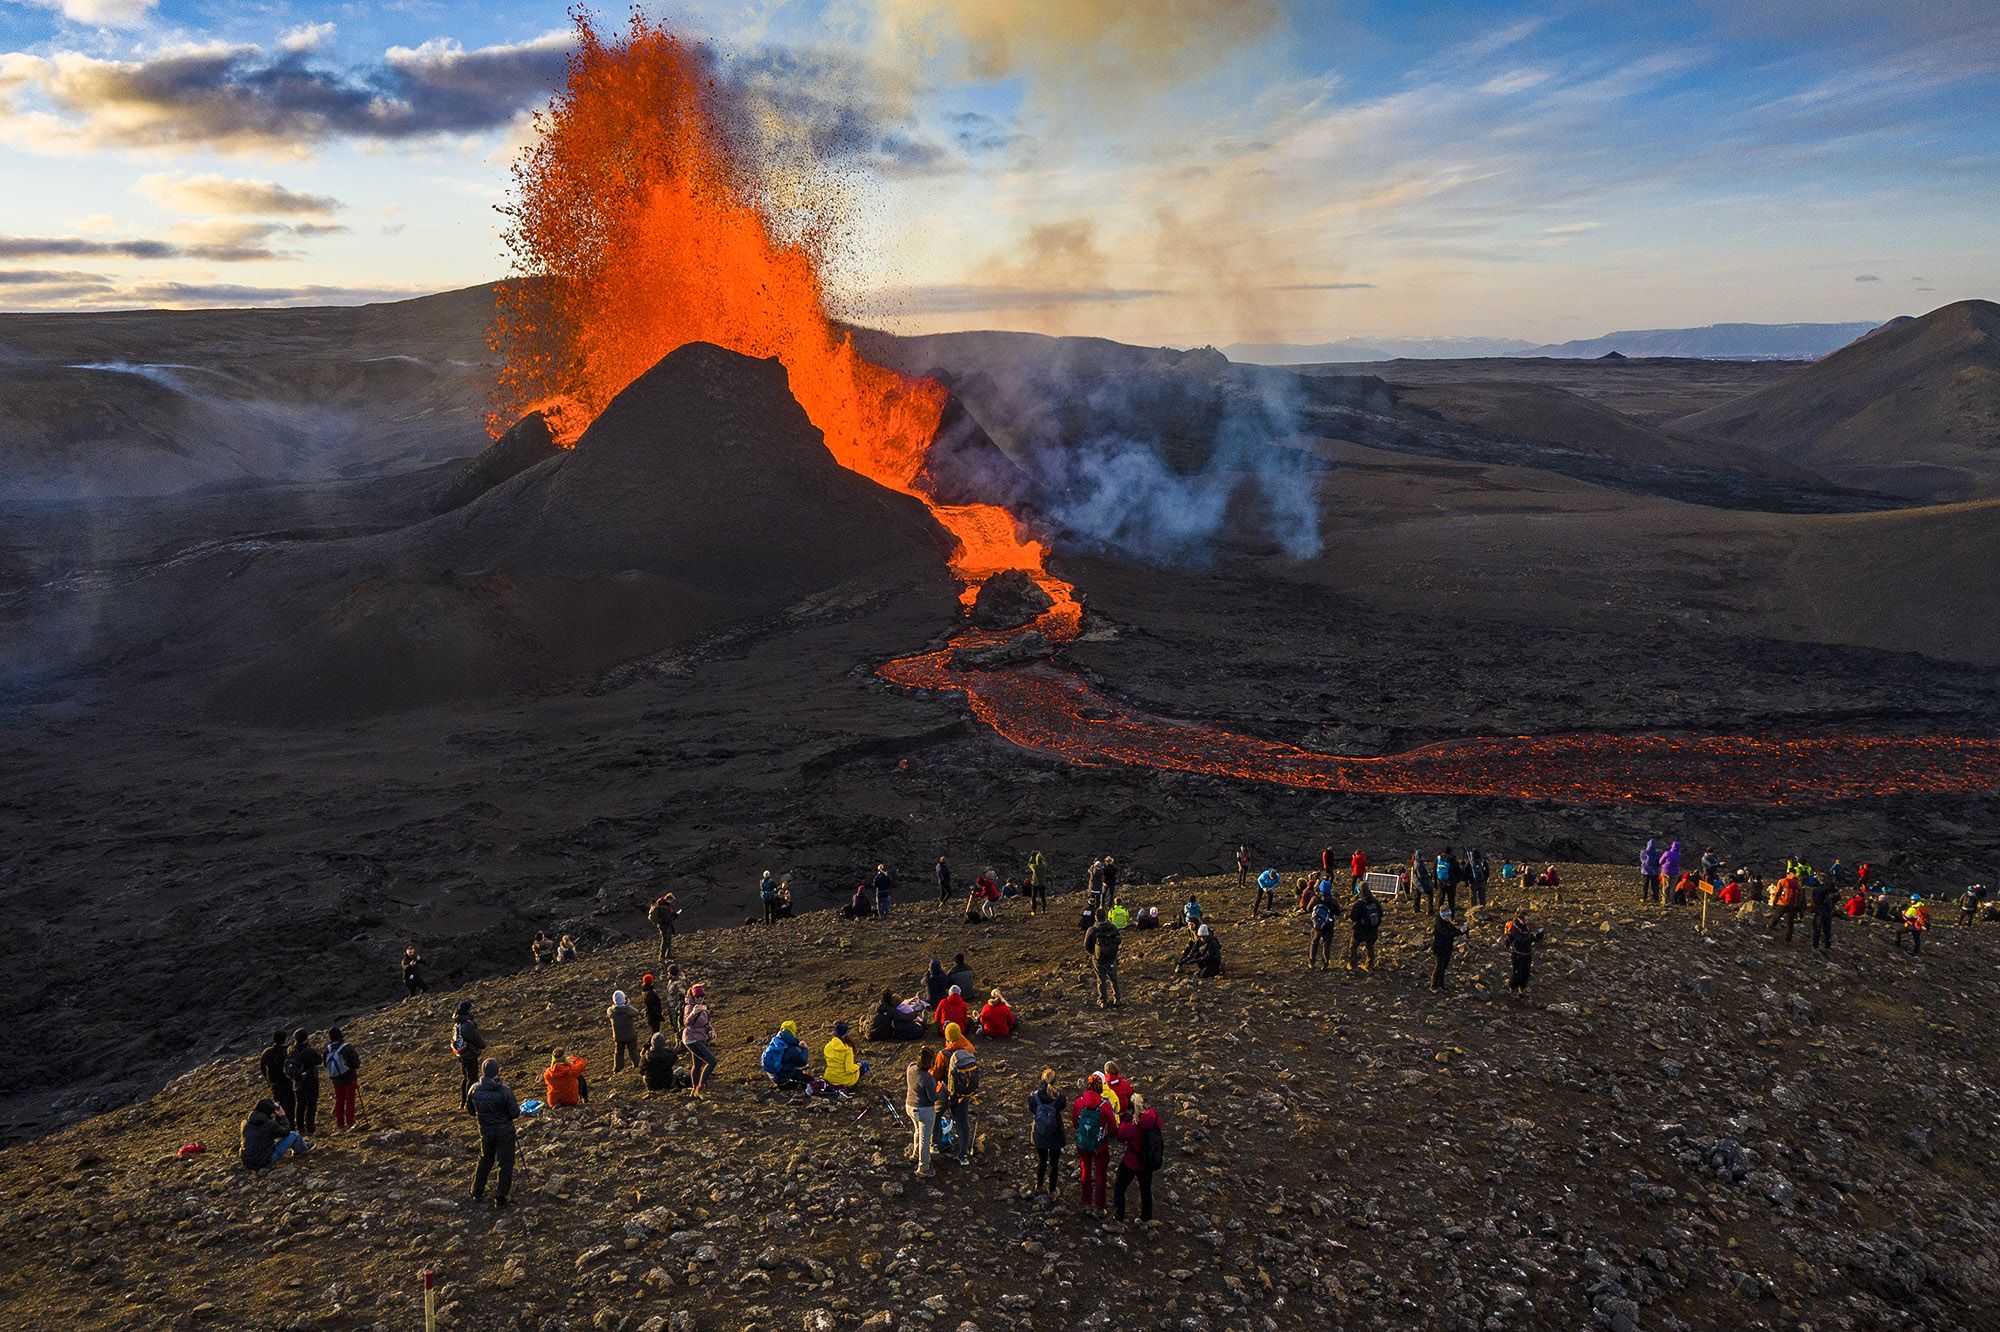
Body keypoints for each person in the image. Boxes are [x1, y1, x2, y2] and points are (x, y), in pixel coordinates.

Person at [464, 1058, 519, 1207]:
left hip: (486, 1131)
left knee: (485, 1159)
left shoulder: (474, 1089)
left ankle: (477, 1192)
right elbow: (515, 1113)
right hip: (505, 1132)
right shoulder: (505, 1090)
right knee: (505, 1163)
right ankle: (500, 1198)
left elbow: (470, 1111)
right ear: (497, 1071)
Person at [1113, 1093, 1164, 1224]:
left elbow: (1120, 1136)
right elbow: (1161, 1124)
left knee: (1119, 1187)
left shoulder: (1133, 1125)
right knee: (1146, 1190)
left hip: (1131, 1162)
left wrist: (1124, 1119)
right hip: (1148, 1162)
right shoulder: (1153, 1118)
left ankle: (1119, 1216)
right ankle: (1146, 1218)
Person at [1073, 1072, 1113, 1213]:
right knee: (1101, 1174)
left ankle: (1086, 1201)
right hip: (1100, 1146)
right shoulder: (1105, 1106)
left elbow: (1074, 1123)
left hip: (1083, 1144)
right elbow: (1113, 1127)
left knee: (1085, 1170)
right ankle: (1100, 1206)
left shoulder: (1079, 1102)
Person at [240, 1098, 307, 1171]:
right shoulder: (269, 1124)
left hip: (248, 1163)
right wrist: (283, 1116)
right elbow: (286, 1132)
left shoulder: (245, 1123)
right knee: (294, 1135)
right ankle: (303, 1151)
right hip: (264, 1162)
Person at [1028, 1070, 1067, 1196]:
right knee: (1054, 1164)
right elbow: (1062, 1107)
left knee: (1042, 1161)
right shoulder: (1060, 1098)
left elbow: (1032, 1108)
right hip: (1056, 1134)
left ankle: (1039, 1186)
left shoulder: (1034, 1097)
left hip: (1040, 1134)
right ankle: (1052, 1189)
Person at [943, 1041, 980, 1165]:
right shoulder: (968, 1052)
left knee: (935, 1116)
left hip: (946, 1093)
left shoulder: (943, 1055)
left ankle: (936, 1144)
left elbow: (935, 1074)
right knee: (963, 1123)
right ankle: (963, 1154)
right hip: (963, 1092)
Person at [905, 1049, 938, 1178]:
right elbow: (933, 1098)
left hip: (910, 1105)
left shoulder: (911, 1067)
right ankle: (923, 1167)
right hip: (924, 1110)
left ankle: (915, 1155)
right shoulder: (927, 1078)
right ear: (929, 1063)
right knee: (925, 1137)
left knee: (918, 1130)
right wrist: (942, 1092)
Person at [682, 985, 718, 1096]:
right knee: (712, 1061)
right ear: (693, 996)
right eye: (698, 996)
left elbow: (706, 1021)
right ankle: (700, 1088)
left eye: (702, 996)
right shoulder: (689, 1007)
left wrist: (712, 1031)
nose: (701, 998)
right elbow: (686, 1023)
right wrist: (694, 1013)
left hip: (699, 1038)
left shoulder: (703, 1006)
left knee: (697, 1064)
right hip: (691, 1039)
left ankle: (694, 1090)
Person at [285, 1029, 321, 1135]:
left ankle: (300, 1127)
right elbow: (319, 1060)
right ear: (306, 1038)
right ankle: (310, 1127)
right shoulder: (309, 1050)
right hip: (310, 1081)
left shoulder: (291, 1050)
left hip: (297, 1082)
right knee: (311, 1105)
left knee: (300, 1105)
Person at [323, 1026, 360, 1130]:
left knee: (339, 1100)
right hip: (349, 1077)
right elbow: (356, 1063)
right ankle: (350, 1121)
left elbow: (325, 1064)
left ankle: (339, 1122)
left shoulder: (327, 1049)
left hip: (336, 1079)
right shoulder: (347, 1047)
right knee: (350, 1100)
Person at [1084, 909, 1122, 1008]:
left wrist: (1094, 953)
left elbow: (1086, 945)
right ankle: (1117, 999)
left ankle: (1103, 1001)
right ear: (1106, 916)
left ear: (1096, 917)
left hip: (1098, 959)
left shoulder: (1092, 930)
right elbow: (1119, 940)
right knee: (1114, 978)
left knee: (1101, 979)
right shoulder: (1113, 927)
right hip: (1111, 957)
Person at [1503, 909, 1545, 993]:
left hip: (1527, 954)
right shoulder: (1515, 928)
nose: (1526, 921)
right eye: (1524, 919)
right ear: (1519, 918)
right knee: (1517, 973)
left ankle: (1522, 987)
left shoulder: (1526, 927)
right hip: (1518, 954)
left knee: (1526, 972)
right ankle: (1513, 988)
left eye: (1527, 919)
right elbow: (1521, 940)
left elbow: (1529, 939)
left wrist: (1538, 936)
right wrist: (1533, 937)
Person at [451, 1001, 485, 1102]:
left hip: (461, 1054)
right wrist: (483, 1045)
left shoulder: (457, 1023)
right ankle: (470, 1102)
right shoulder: (467, 1024)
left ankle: (464, 1100)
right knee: (472, 1078)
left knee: (466, 1078)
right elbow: (476, 1038)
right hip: (469, 1054)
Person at [259, 1030, 296, 1122]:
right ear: (285, 1039)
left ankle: (280, 1124)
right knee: (290, 1105)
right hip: (287, 1083)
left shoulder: (267, 1052)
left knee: (278, 1105)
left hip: (274, 1083)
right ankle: (290, 1125)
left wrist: (267, 1079)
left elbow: (262, 1066)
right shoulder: (287, 1051)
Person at [761, 1020, 811, 1088]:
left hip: (773, 1076)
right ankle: (785, 1082)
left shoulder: (775, 1042)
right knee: (810, 1080)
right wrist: (805, 1049)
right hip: (783, 1079)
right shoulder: (791, 1049)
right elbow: (803, 1062)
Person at [1348, 881, 1383, 972]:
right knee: (1370, 947)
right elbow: (1381, 914)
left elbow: (1353, 917)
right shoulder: (1375, 901)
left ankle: (1353, 964)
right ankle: (1369, 965)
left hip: (1360, 931)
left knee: (1353, 946)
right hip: (1372, 931)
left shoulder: (1359, 903)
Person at [1429, 909, 1467, 993]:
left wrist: (1463, 930)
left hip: (1447, 948)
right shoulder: (1439, 924)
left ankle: (1441, 985)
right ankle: (1433, 986)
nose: (1448, 917)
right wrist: (1459, 931)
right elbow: (1447, 934)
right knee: (1439, 967)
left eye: (1448, 915)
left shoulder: (1448, 923)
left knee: (1443, 967)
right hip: (1439, 949)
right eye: (1446, 916)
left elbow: (1454, 931)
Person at [608, 989, 644, 1072]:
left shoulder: (611, 1012)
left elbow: (609, 1010)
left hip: (618, 1037)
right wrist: (627, 1003)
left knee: (618, 1053)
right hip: (630, 1035)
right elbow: (636, 1012)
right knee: (633, 1051)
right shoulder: (628, 1010)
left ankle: (617, 1068)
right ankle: (637, 1064)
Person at [822, 1022, 864, 1090]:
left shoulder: (828, 1046)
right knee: (864, 1064)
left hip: (830, 1077)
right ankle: (851, 1086)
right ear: (846, 1033)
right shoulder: (847, 1049)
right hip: (844, 1080)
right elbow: (849, 1069)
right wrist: (858, 1066)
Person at [1308, 891, 1337, 969]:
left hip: (1316, 925)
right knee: (1326, 944)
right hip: (1328, 925)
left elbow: (1308, 909)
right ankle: (1324, 963)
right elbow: (1338, 912)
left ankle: (1312, 962)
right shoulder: (1333, 900)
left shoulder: (1315, 899)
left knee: (1314, 942)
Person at [1809, 877, 1837, 952]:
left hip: (1819, 912)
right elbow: (1836, 899)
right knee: (1827, 930)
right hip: (1828, 912)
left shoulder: (1817, 890)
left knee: (1817, 929)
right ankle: (1827, 945)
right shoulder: (1831, 891)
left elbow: (1815, 900)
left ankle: (1815, 946)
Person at [648, 893, 679, 961]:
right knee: (665, 940)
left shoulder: (663, 905)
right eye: (671, 900)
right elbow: (667, 919)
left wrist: (673, 914)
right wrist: (675, 916)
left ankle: (668, 954)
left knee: (668, 940)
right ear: (668, 899)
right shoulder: (664, 907)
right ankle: (662, 956)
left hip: (664, 925)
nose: (672, 902)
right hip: (664, 926)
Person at [661, 965, 686, 1040]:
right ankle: (677, 1040)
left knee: (678, 1025)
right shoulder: (671, 981)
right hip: (671, 1007)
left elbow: (682, 995)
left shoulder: (679, 983)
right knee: (673, 1024)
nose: (668, 974)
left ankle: (680, 1041)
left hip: (677, 1008)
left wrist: (679, 1008)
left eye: (669, 973)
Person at [1435, 850, 1460, 914]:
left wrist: (1436, 882)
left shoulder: (1438, 859)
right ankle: (1451, 916)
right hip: (1451, 883)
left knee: (1441, 899)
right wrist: (1456, 881)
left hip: (1440, 882)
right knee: (1451, 900)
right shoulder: (1453, 860)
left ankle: (1440, 915)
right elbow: (1458, 872)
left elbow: (1434, 871)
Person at [1639, 839, 1660, 905]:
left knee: (1645, 884)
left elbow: (1641, 859)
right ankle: (1655, 897)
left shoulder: (1643, 852)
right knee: (1655, 885)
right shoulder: (1657, 853)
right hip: (1654, 871)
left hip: (1645, 871)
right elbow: (1659, 862)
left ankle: (1644, 897)